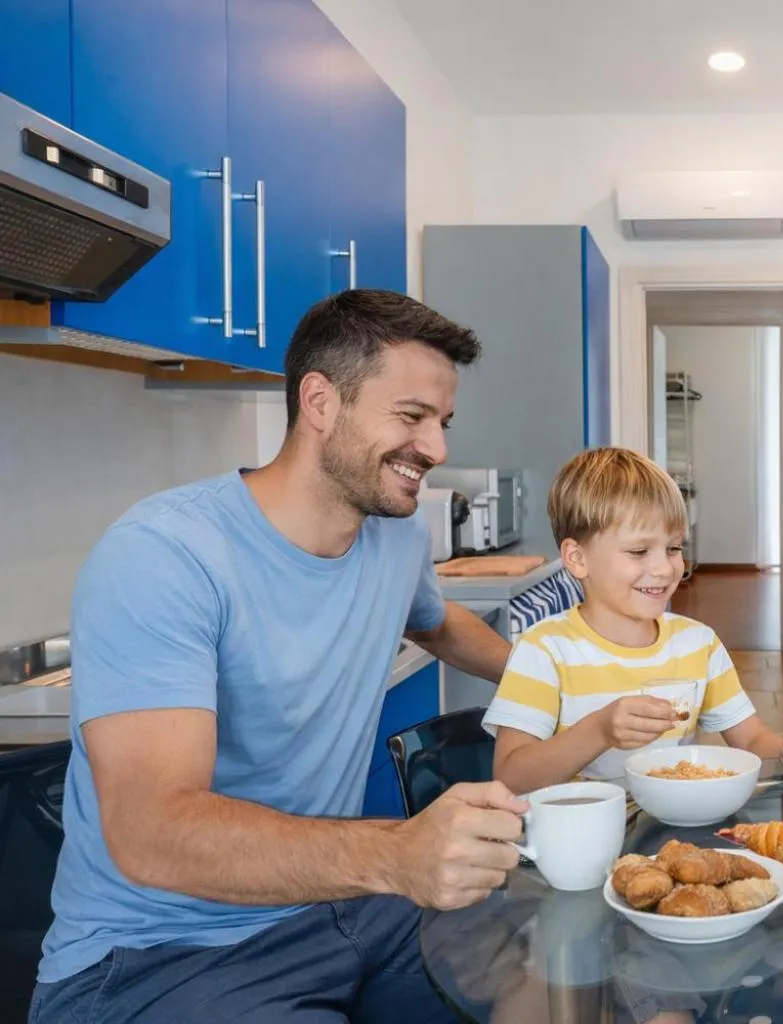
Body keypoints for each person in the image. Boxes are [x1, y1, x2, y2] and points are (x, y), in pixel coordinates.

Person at [31, 290, 528, 1024]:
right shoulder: (165, 555)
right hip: (158, 955)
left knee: (550, 976)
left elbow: (437, 621)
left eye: (443, 423)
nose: (437, 449)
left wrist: (561, 686)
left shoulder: (395, 538)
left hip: (337, 905)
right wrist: (395, 855)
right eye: (411, 417)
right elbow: (152, 833)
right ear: (321, 401)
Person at [488, 446, 783, 793]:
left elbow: (752, 741)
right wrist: (600, 730)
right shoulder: (544, 651)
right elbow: (510, 777)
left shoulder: (698, 644)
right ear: (577, 558)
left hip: (667, 831)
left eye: (674, 548)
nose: (665, 568)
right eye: (638, 551)